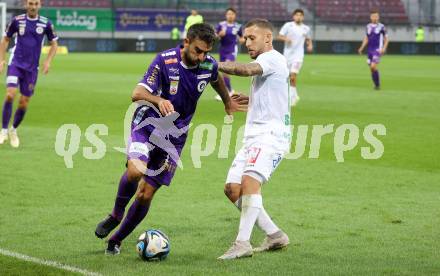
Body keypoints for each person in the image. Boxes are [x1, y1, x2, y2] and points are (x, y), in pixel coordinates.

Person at [94, 23, 248, 255]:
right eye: (198, 50)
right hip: (147, 126)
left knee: (146, 193)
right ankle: (116, 214)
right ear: (186, 42)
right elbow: (137, 93)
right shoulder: (164, 61)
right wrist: (158, 100)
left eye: (206, 52)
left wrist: (227, 102)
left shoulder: (208, 64)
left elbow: (215, 79)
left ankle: (115, 241)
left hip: (174, 138)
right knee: (136, 171)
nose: (201, 57)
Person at [217, 19, 291, 260]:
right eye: (245, 38)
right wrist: (251, 99)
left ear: (267, 38)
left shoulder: (271, 59)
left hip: (271, 135)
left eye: (252, 37)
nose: (246, 42)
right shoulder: (266, 63)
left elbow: (246, 69)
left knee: (250, 184)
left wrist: (213, 64)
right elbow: (272, 96)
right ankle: (274, 234)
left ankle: (242, 243)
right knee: (232, 189)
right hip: (254, 136)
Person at [0, 0, 58, 147]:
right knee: (10, 94)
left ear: (40, 5)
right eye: (30, 3)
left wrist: (48, 61)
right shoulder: (17, 21)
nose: (33, 6)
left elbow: (54, 43)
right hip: (16, 64)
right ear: (26, 4)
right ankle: (4, 130)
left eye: (36, 3)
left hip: (32, 69)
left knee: (24, 102)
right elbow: (6, 39)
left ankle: (13, 130)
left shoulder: (46, 23)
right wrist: (2, 60)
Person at [278, 9, 312, 106]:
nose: (298, 17)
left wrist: (310, 45)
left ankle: (292, 98)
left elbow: (308, 39)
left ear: (303, 17)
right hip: (287, 56)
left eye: (300, 15)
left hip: (298, 56)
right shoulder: (288, 25)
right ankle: (295, 95)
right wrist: (286, 39)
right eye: (297, 15)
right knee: (287, 77)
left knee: (293, 75)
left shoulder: (306, 28)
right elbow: (279, 36)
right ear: (293, 16)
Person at [214, 7, 244, 101]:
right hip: (222, 50)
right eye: (228, 14)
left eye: (232, 14)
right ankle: (228, 91)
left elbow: (242, 38)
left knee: (226, 70)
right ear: (226, 15)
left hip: (232, 50)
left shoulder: (238, 26)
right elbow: (214, 37)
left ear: (235, 16)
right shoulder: (221, 25)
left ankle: (228, 92)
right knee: (223, 72)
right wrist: (219, 35)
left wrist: (241, 40)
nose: (230, 16)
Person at [358, 10, 389, 90]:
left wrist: (384, 48)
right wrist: (362, 47)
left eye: (376, 16)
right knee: (372, 69)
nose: (375, 18)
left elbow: (386, 39)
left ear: (378, 17)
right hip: (370, 50)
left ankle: (377, 84)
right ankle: (376, 85)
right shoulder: (368, 26)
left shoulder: (382, 26)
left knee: (373, 66)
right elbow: (366, 38)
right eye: (373, 16)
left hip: (377, 49)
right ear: (370, 17)